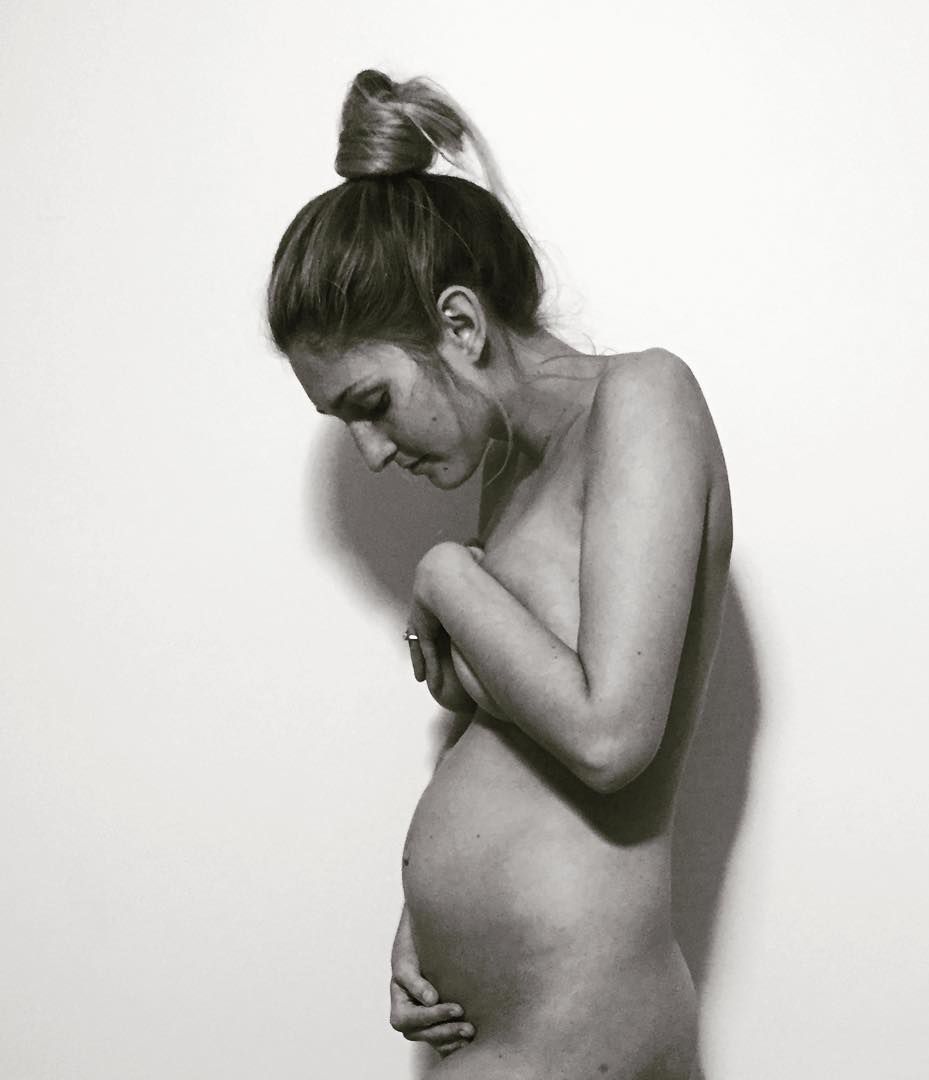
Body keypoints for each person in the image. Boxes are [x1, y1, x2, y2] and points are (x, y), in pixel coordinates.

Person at [266, 69, 733, 1080]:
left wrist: (447, 574)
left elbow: (610, 737)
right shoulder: (510, 476)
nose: (372, 453)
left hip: (585, 1020)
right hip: (513, 1029)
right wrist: (425, 915)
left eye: (372, 403)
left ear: (462, 325)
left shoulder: (645, 400)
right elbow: (516, 734)